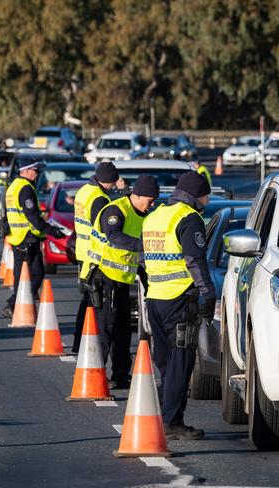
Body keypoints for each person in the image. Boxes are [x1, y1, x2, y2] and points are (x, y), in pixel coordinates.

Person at [142, 171, 216, 440]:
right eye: (205, 194)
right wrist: (207, 292)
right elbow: (194, 259)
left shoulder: (155, 216)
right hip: (180, 300)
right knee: (180, 364)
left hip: (155, 299)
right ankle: (171, 422)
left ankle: (163, 413)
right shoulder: (189, 218)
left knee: (165, 362)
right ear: (195, 194)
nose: (207, 200)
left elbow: (144, 256)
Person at [88, 174, 159, 389]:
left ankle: (120, 375)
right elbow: (114, 237)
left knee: (122, 330)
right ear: (136, 195)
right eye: (150, 200)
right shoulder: (116, 210)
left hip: (122, 279)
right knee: (105, 329)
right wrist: (143, 246)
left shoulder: (144, 214)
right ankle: (94, 376)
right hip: (104, 277)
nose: (152, 204)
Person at [1, 160, 65, 318]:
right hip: (27, 237)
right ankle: (14, 303)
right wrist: (52, 231)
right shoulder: (26, 189)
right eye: (35, 170)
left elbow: (7, 213)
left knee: (21, 275)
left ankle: (15, 304)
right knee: (37, 273)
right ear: (25, 171)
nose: (37, 174)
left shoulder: (13, 187)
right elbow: (33, 217)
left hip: (17, 237)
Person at [72, 163, 124, 353]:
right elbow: (102, 231)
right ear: (109, 180)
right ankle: (86, 343)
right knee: (96, 304)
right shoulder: (99, 199)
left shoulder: (84, 191)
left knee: (87, 301)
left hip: (83, 253)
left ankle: (79, 341)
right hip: (95, 257)